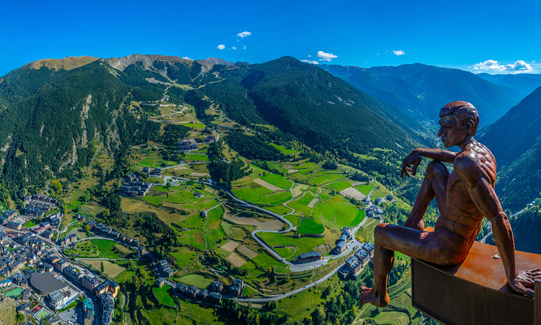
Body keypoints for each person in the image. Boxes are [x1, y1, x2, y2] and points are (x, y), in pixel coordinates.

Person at [360, 101, 540, 307]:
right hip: (457, 231)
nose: (439, 134)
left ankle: (378, 295)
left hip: (446, 248)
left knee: (380, 232)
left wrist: (512, 275)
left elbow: (499, 217)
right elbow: (454, 158)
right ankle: (413, 224)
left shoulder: (467, 164)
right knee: (434, 168)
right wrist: (419, 151)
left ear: (467, 125)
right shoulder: (481, 153)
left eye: (446, 128)